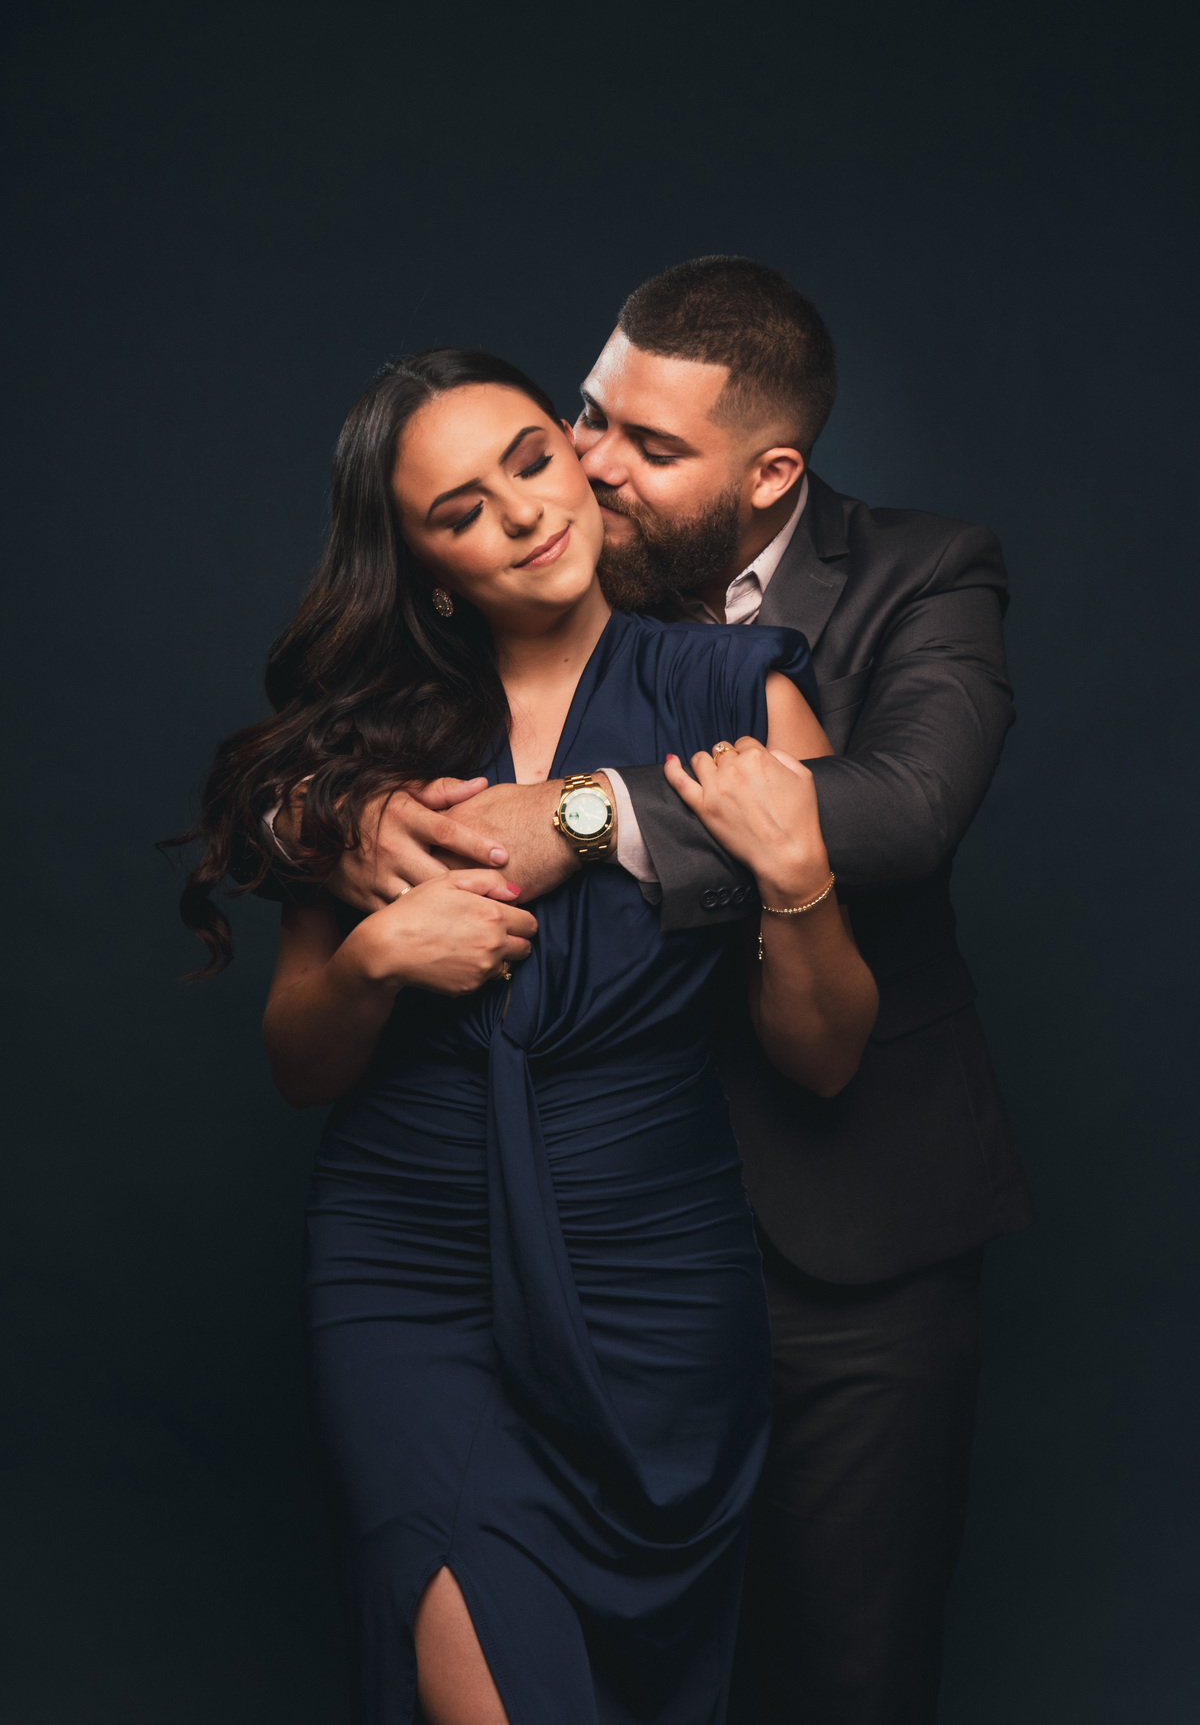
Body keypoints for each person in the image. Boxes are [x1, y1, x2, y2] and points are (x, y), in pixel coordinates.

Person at [304, 259, 1035, 1725]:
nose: (583, 468)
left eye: (643, 445)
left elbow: (898, 806)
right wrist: (319, 823)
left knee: (835, 1671)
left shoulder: (917, 576)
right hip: (502, 1227)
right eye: (586, 417)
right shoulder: (548, 561)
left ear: (769, 477)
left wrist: (585, 817)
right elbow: (368, 688)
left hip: (830, 1231)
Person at [180, 347, 878, 1725]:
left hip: (654, 1264)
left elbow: (826, 1052)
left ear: (575, 452)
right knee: (468, 1652)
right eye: (460, 512)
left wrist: (797, 878)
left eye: (530, 461)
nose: (519, 514)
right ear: (427, 568)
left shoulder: (740, 692)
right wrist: (377, 957)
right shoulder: (361, 757)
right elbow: (300, 1064)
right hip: (410, 1258)